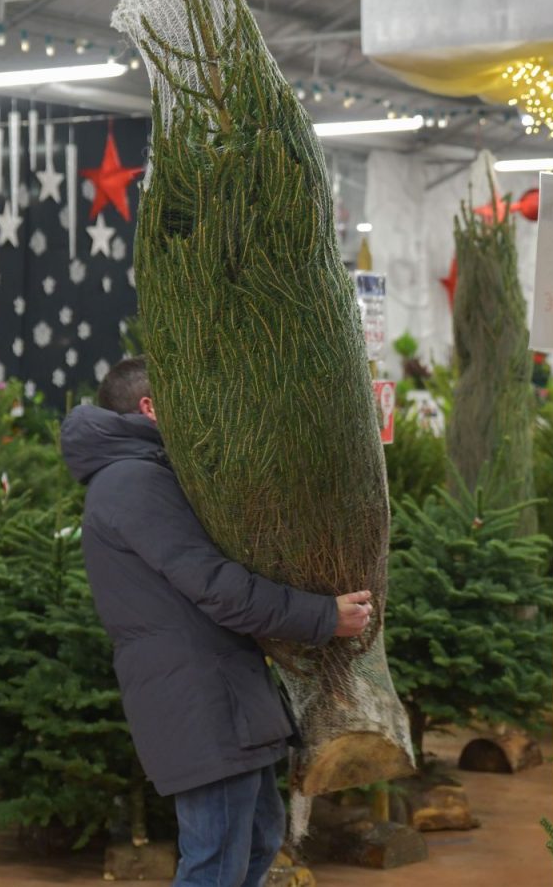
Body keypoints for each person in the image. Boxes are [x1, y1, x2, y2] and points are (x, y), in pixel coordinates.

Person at [61, 355, 373, 887]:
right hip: (201, 696)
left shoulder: (137, 474)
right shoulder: (134, 481)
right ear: (150, 407)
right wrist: (322, 616)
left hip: (217, 691)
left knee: (253, 840)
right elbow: (219, 588)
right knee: (216, 862)